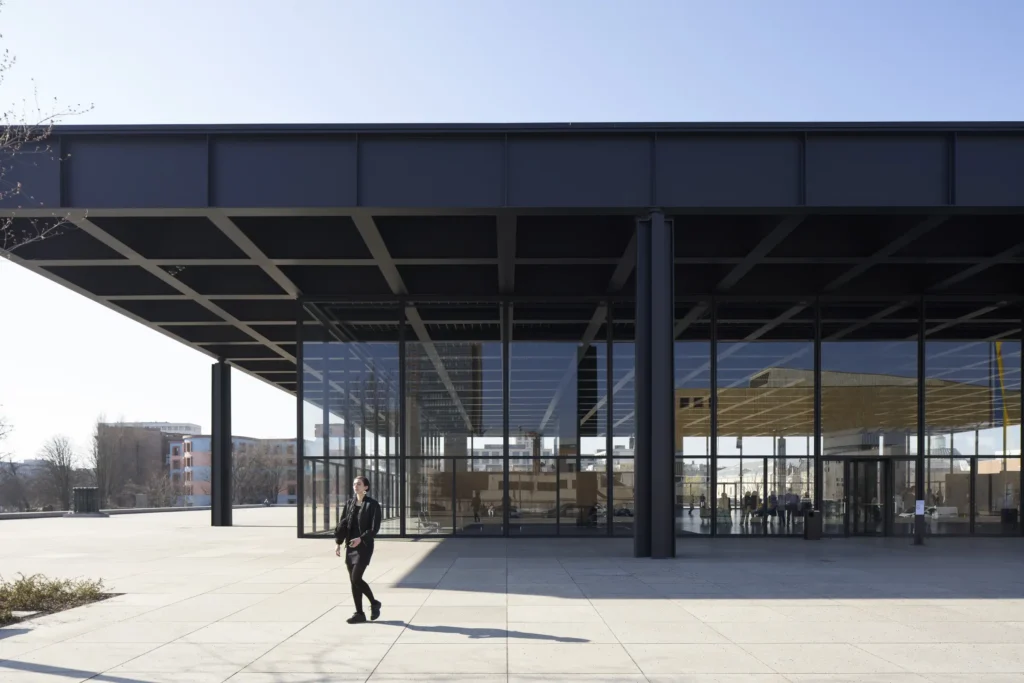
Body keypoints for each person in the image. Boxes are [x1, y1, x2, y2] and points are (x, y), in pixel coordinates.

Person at [334, 475, 382, 624]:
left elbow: (375, 528)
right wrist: (338, 542)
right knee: (353, 581)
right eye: (354, 484)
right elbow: (342, 524)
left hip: (364, 546)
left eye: (359, 484)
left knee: (356, 578)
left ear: (366, 487)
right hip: (350, 546)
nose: (356, 486)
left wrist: (361, 538)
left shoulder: (373, 505)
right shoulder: (350, 503)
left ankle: (374, 603)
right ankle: (359, 613)